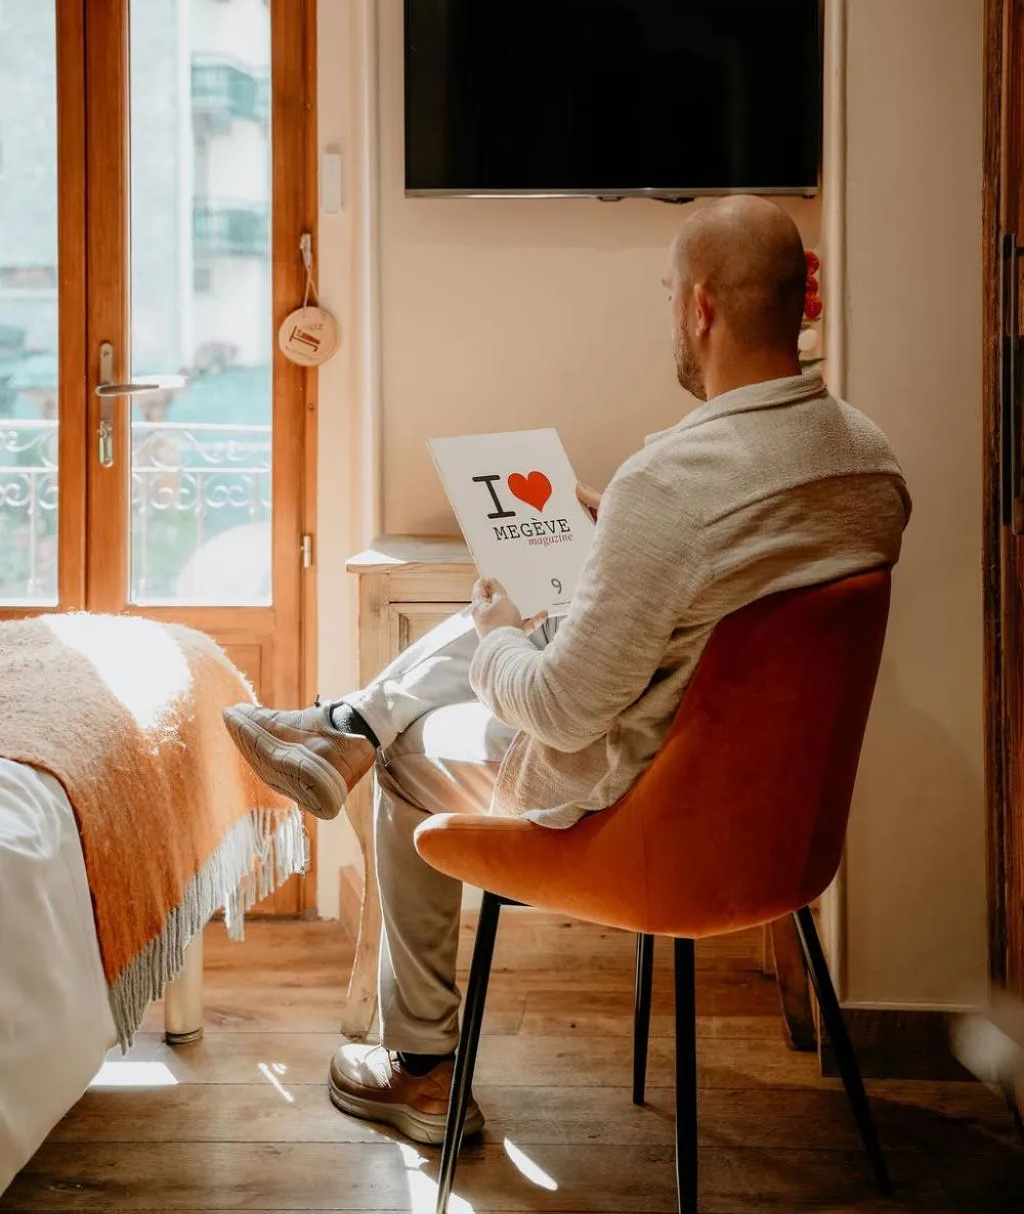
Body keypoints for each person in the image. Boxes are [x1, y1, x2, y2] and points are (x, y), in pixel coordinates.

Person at [223, 194, 912, 1144]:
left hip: (638, 807)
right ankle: (341, 725)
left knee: (418, 743)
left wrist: (500, 622)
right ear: (800, 303)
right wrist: (611, 546)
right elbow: (741, 601)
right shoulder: (868, 463)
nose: (668, 310)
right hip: (779, 827)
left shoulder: (671, 486)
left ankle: (420, 1066)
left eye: (669, 292)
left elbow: (559, 712)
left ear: (701, 308)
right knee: (536, 616)